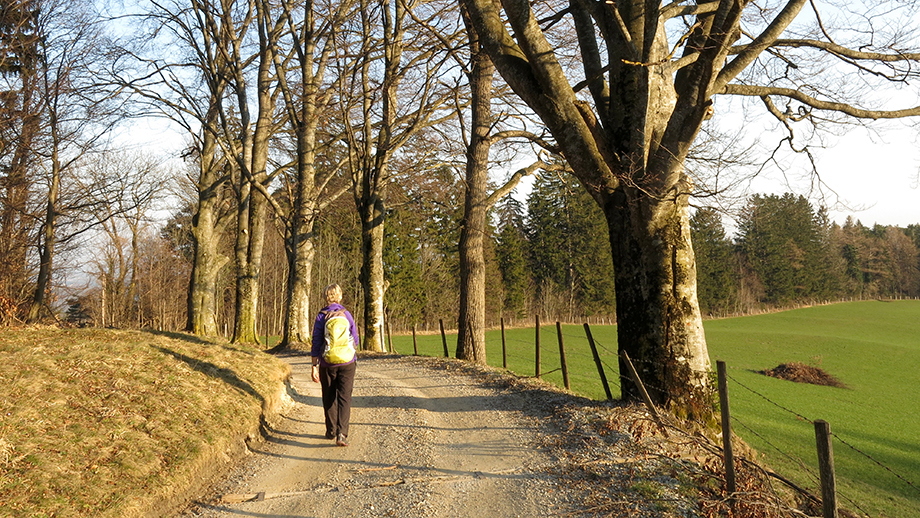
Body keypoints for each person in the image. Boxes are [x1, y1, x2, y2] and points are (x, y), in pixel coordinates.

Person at [311, 283, 359, 447]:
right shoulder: (346, 314)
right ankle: (342, 434)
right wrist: (350, 352)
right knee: (345, 397)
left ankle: (331, 430)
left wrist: (314, 365)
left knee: (329, 395)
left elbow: (316, 341)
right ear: (339, 296)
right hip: (347, 362)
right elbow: (356, 338)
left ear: (326, 297)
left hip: (327, 362)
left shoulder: (321, 316)